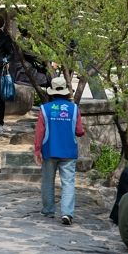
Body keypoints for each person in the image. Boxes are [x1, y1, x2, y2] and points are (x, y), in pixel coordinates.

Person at [33, 76, 85, 225]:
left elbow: (39, 133)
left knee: (47, 181)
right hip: (69, 152)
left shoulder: (45, 109)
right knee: (68, 182)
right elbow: (79, 131)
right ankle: (67, 213)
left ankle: (48, 210)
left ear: (52, 92)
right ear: (66, 92)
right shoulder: (74, 109)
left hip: (49, 150)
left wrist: (37, 151)